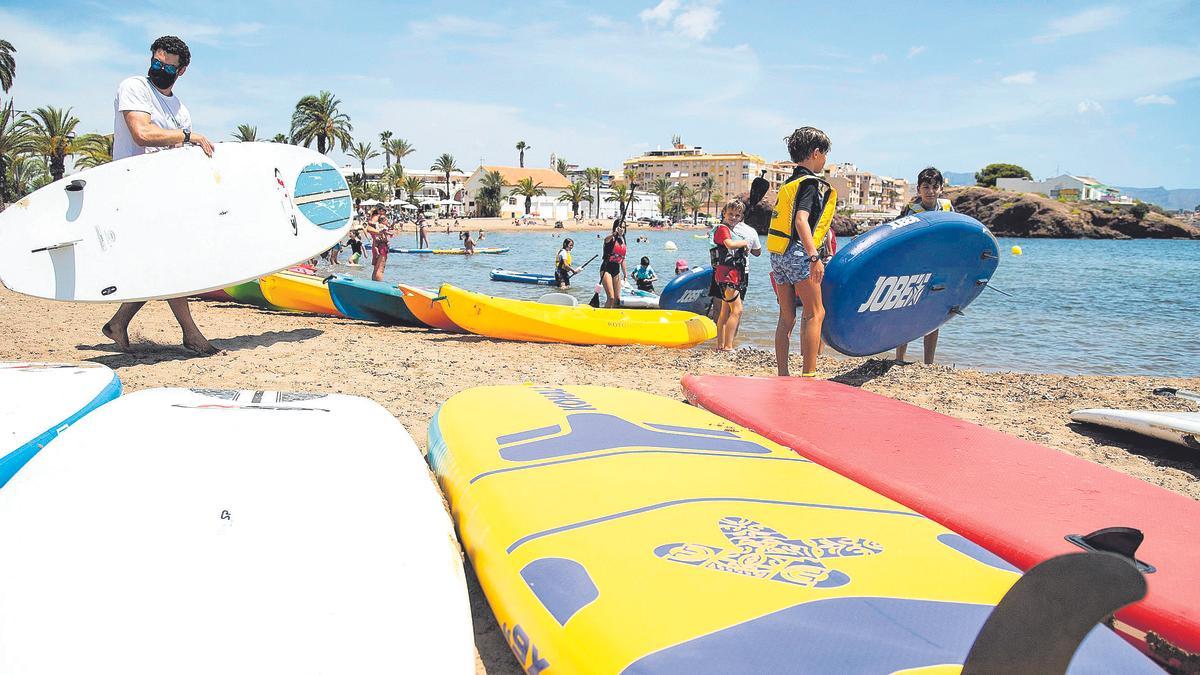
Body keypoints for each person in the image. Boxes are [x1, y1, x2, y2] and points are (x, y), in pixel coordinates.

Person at [102, 35, 219, 356]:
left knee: (159, 263)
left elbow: (178, 159)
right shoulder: (135, 87)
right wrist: (187, 136)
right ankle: (192, 334)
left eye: (168, 66)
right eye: (156, 63)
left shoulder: (181, 110)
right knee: (169, 261)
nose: (160, 69)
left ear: (181, 72)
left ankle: (118, 324)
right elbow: (141, 133)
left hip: (162, 195)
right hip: (131, 190)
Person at [767, 127, 837, 377]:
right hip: (799, 253)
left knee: (787, 317)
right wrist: (814, 257)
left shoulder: (790, 182)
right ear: (816, 153)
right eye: (825, 154)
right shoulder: (809, 184)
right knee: (815, 313)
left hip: (778, 253)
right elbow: (800, 220)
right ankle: (808, 375)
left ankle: (783, 374)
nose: (825, 160)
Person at [895, 166, 954, 364]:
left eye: (935, 187)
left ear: (941, 188)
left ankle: (929, 362)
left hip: (938, 269)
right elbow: (897, 237)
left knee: (933, 315)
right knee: (906, 313)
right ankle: (899, 358)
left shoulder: (947, 208)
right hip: (914, 270)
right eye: (926, 187)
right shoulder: (911, 211)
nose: (930, 191)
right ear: (918, 189)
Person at [709, 200, 761, 351]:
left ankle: (720, 345)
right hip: (728, 274)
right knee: (737, 310)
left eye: (737, 215)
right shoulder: (723, 229)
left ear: (741, 217)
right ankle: (728, 346)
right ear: (724, 213)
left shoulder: (728, 229)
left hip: (728, 273)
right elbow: (729, 245)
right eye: (730, 214)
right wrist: (744, 243)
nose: (733, 217)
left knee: (725, 311)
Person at [600, 220, 627, 308]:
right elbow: (606, 239)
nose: (622, 229)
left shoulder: (623, 241)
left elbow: (622, 259)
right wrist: (615, 233)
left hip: (616, 270)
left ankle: (613, 316)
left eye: (624, 227)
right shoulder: (611, 238)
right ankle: (604, 316)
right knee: (611, 297)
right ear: (616, 228)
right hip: (606, 269)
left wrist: (625, 275)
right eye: (620, 227)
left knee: (617, 299)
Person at [363, 207, 392, 281]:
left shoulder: (375, 218)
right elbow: (369, 229)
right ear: (381, 210)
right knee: (380, 268)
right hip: (381, 245)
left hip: (377, 244)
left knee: (376, 268)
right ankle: (379, 286)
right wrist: (380, 232)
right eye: (385, 210)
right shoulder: (377, 217)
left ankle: (374, 284)